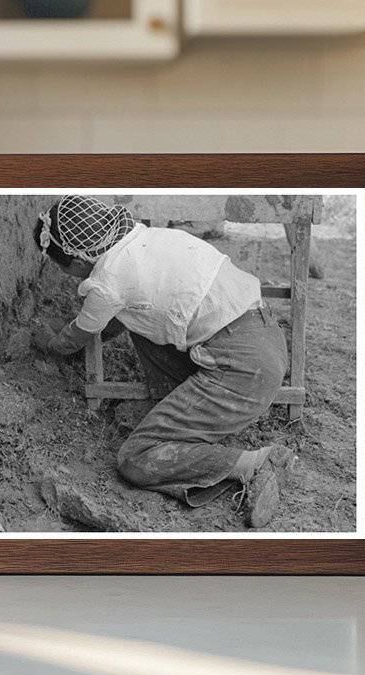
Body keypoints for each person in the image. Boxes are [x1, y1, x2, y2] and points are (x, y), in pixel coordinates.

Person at [32, 194, 296, 528]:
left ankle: (255, 464)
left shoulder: (108, 282)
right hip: (263, 336)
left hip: (241, 368)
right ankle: (179, 417)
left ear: (74, 260)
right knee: (137, 321)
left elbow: (80, 332)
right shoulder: (144, 238)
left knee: (135, 459)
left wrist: (47, 346)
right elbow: (114, 320)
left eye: (61, 267)